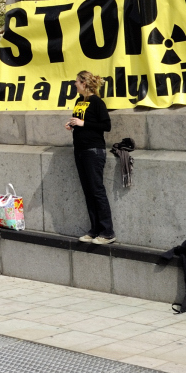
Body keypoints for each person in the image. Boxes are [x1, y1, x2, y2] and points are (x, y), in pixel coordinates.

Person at [66, 71, 115, 244]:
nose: (75, 84)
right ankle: (95, 230)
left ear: (84, 83)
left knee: (97, 191)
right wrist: (72, 124)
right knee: (88, 192)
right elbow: (80, 121)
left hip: (93, 150)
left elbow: (106, 125)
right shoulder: (79, 101)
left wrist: (83, 123)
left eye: (77, 81)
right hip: (80, 150)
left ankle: (107, 232)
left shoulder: (97, 102)